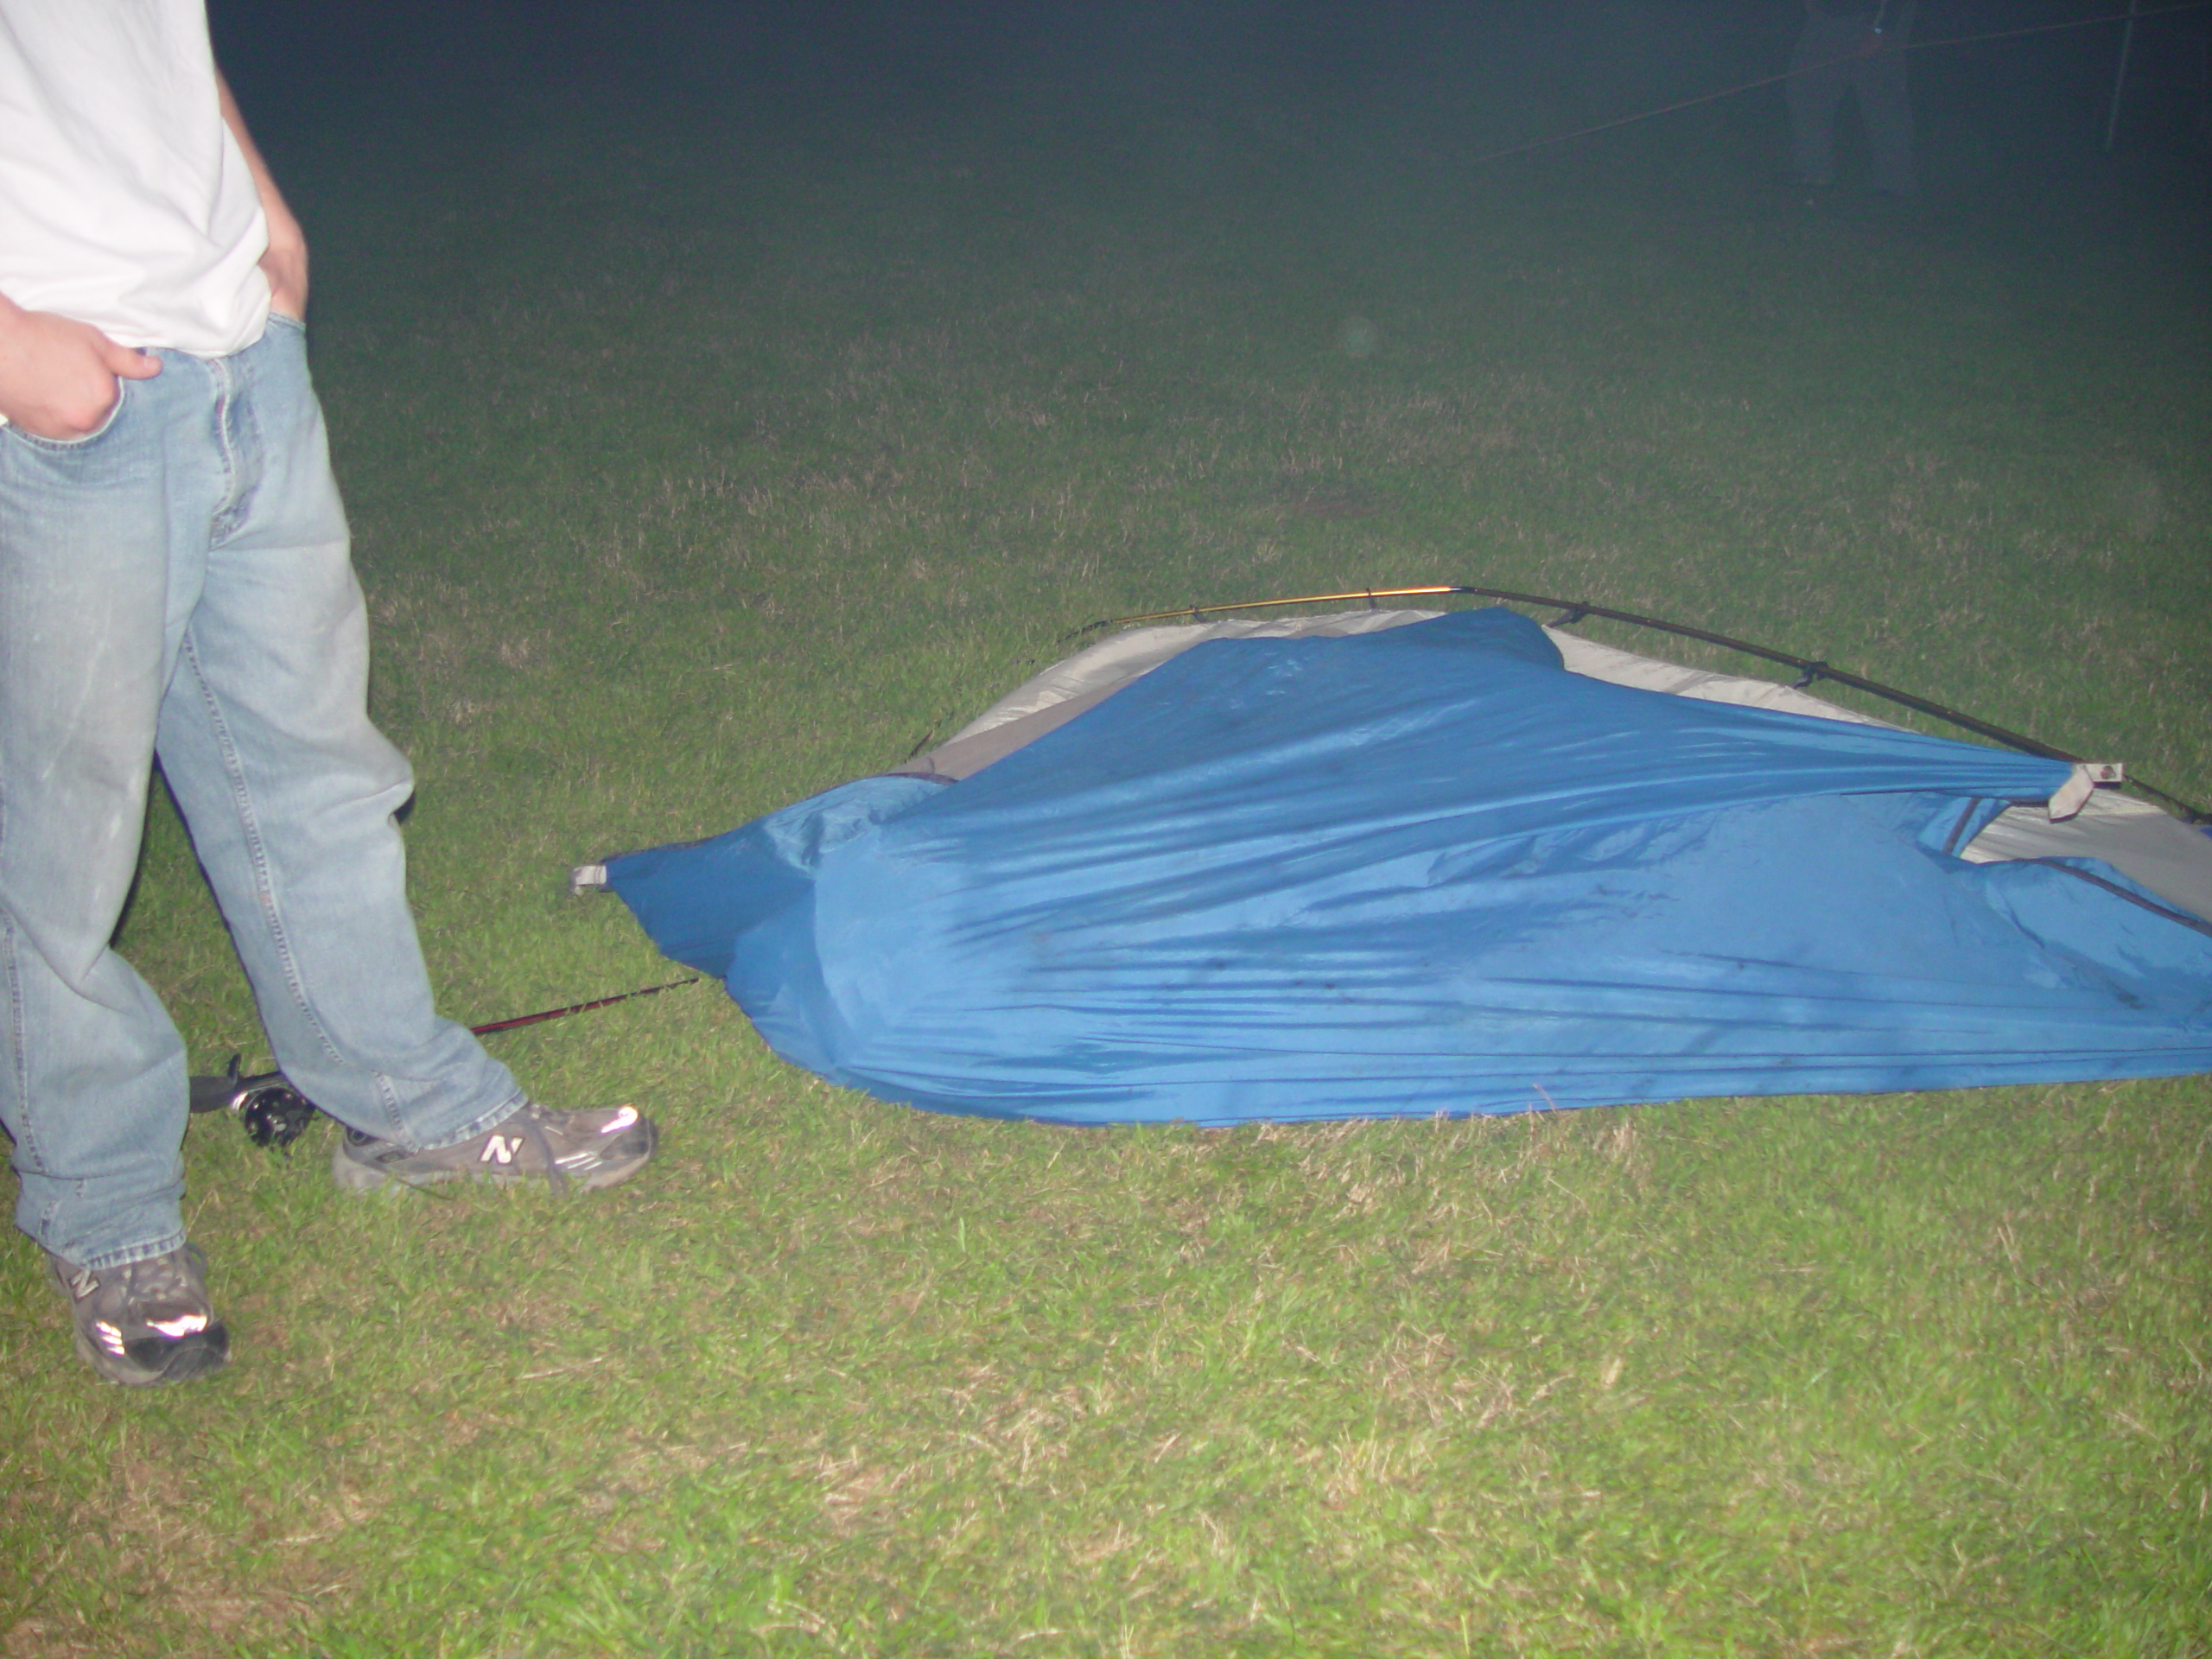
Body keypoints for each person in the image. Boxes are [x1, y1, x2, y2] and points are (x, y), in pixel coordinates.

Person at [0, 1, 658, 1389]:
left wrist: (260, 203)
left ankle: (407, 1106)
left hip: (234, 347)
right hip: (48, 394)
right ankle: (106, 1207)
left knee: (313, 773)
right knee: (56, 845)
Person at [1788, 0, 1918, 198]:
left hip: (1872, 15)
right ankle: (1815, 173)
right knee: (1808, 91)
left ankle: (1895, 184)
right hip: (1829, 15)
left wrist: (1880, 28)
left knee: (1882, 102)